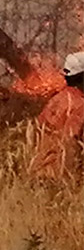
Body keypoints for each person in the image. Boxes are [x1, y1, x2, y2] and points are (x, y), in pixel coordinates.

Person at [29, 52, 84, 180]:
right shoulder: (81, 106)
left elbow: (36, 134)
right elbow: (71, 144)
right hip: (62, 178)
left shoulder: (56, 100)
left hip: (39, 173)